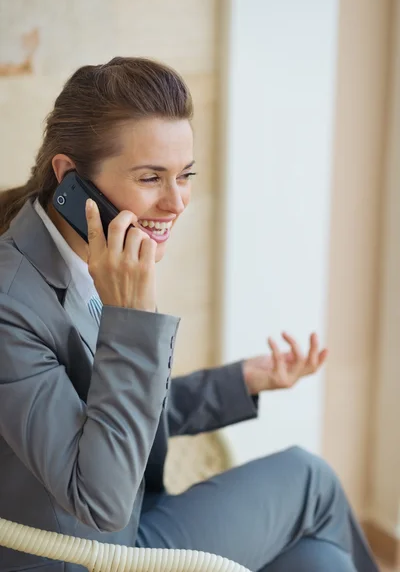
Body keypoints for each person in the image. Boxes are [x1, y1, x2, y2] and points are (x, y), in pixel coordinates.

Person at [0, 57, 378, 572]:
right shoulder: (11, 304)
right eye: (151, 177)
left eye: (186, 175)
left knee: (321, 562)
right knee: (309, 479)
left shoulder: (82, 258)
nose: (176, 202)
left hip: (132, 523)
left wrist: (242, 381)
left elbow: (111, 414)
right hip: (90, 554)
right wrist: (130, 317)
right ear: (69, 180)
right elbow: (101, 497)